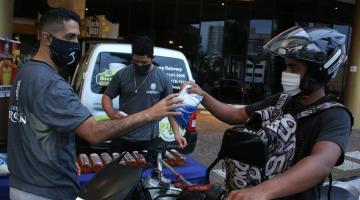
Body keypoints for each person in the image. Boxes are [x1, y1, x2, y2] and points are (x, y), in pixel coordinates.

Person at [7, 8, 182, 200]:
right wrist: (149, 114)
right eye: (70, 37)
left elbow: (37, 127)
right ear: (47, 38)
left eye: (76, 37)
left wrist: (64, 156)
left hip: (24, 183)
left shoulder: (26, 72)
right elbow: (94, 133)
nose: (75, 44)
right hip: (47, 190)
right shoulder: (51, 83)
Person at [185, 26, 353, 200]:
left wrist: (262, 191)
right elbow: (235, 115)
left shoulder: (335, 116)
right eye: (286, 66)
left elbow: (322, 162)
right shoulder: (282, 100)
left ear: (317, 72)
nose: (286, 73)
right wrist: (202, 95)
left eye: (294, 68)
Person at [101, 36, 187, 153]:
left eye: (144, 62)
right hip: (121, 137)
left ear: (152, 58)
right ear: (132, 58)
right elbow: (107, 96)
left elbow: (170, 109)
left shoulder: (163, 78)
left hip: (149, 141)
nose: (139, 65)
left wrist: (177, 134)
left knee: (146, 171)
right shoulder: (122, 74)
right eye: (136, 62)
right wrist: (111, 112)